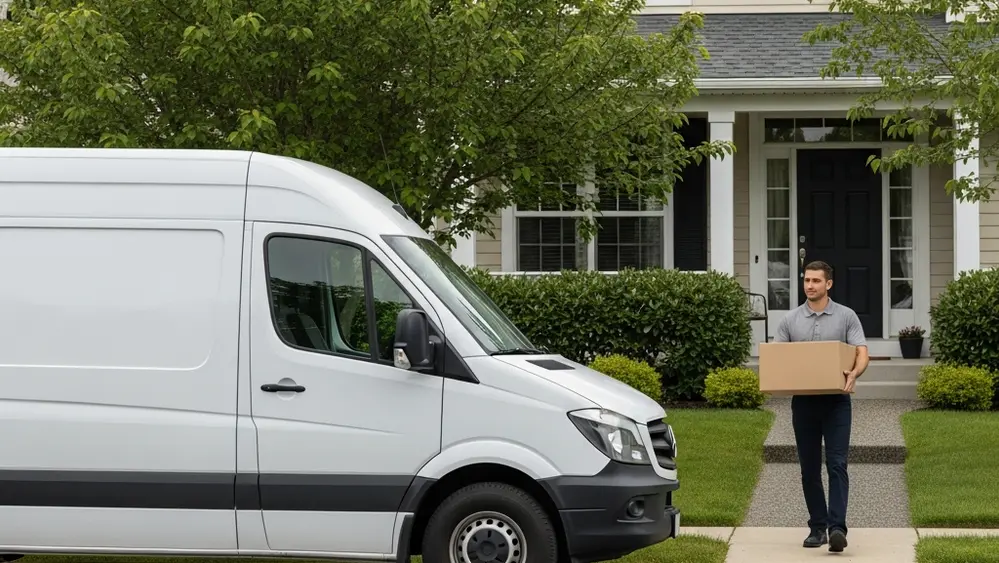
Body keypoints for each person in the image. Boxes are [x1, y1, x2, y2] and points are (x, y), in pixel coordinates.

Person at [773, 260, 870, 553]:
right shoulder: (790, 321)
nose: (809, 285)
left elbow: (861, 352)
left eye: (816, 280)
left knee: (837, 464)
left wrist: (854, 374)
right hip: (804, 404)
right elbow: (778, 360)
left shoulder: (846, 317)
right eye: (806, 280)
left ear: (829, 284)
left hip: (837, 402)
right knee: (809, 468)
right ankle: (817, 527)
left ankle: (837, 528)